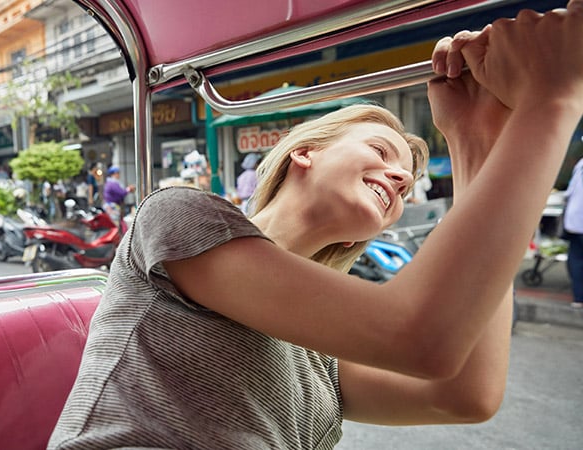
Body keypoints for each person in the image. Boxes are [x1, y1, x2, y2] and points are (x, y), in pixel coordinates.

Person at [48, 3, 583, 448]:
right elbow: (422, 338)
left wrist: (474, 143)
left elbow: (466, 394)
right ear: (303, 153)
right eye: (380, 151)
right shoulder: (179, 215)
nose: (400, 179)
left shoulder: (320, 353)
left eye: (408, 186)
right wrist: (552, 98)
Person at [563, 157, 583, 308]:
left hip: (574, 222)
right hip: (576, 221)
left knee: (576, 261)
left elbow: (569, 192)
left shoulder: (580, 164)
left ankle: (578, 298)